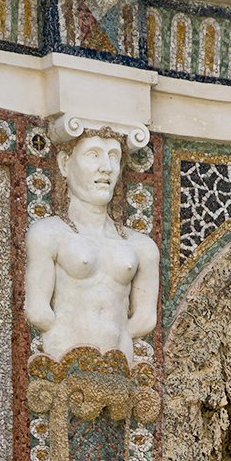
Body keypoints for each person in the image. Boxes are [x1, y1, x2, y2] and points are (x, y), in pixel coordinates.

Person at [24, 132, 159, 365]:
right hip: (63, 358)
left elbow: (146, 317)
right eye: (93, 155)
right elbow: (37, 310)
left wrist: (119, 335)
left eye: (114, 157)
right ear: (64, 164)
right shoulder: (49, 233)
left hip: (119, 362)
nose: (106, 167)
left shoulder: (142, 246)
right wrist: (65, 334)